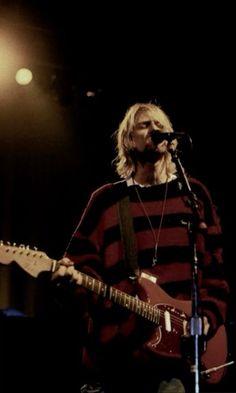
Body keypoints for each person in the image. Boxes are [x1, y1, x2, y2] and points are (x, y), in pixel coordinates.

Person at [52, 102, 229, 393]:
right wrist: (70, 281)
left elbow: (216, 271)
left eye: (160, 124)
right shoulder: (108, 201)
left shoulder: (194, 196)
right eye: (145, 125)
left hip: (179, 362)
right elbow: (81, 267)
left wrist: (208, 317)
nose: (155, 129)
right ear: (128, 141)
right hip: (119, 358)